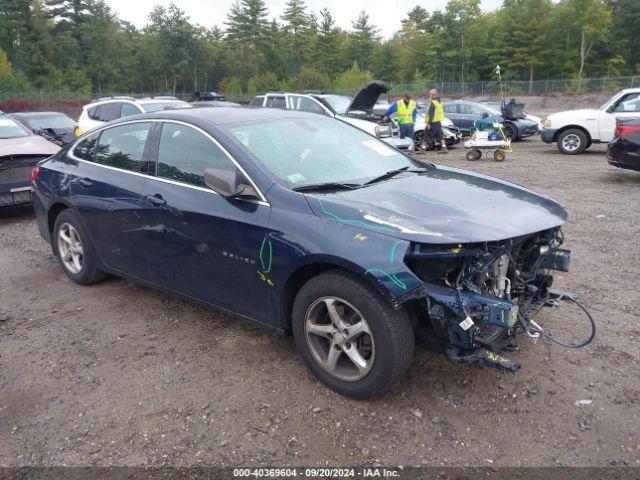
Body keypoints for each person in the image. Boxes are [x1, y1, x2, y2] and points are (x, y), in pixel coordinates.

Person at [423, 88, 447, 153]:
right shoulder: (439, 102)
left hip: (432, 122)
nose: (429, 96)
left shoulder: (433, 102)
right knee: (440, 136)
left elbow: (431, 114)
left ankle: (422, 149)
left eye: (430, 94)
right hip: (438, 122)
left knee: (425, 135)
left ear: (432, 95)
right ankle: (444, 148)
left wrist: (428, 123)